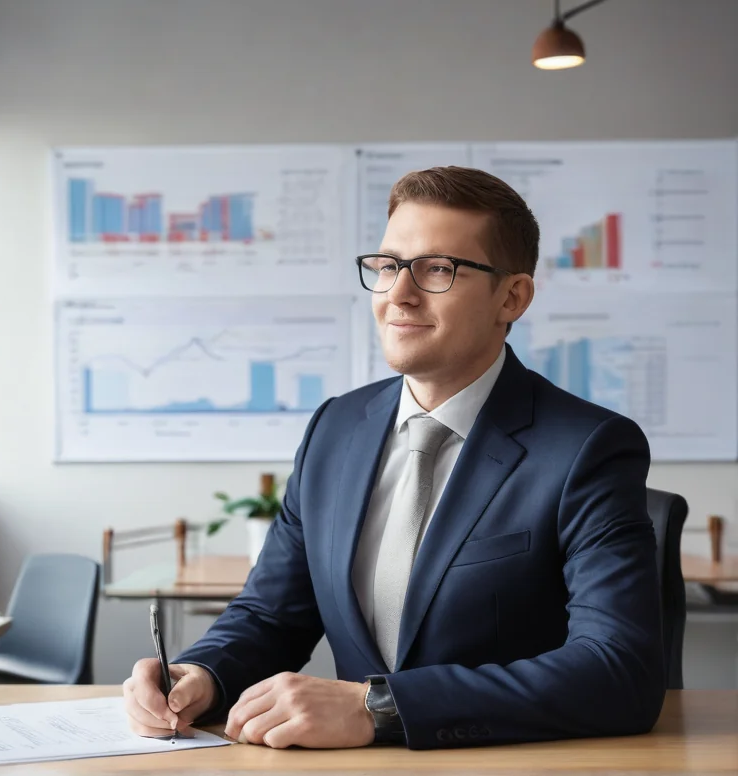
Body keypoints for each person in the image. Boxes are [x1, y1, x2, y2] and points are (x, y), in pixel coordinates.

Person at [122, 166, 665, 750]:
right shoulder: (336, 428)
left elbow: (619, 671)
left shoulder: (588, 447)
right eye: (387, 266)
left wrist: (380, 707)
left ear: (512, 297)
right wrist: (201, 674)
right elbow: (272, 614)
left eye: (438, 270)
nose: (398, 294)